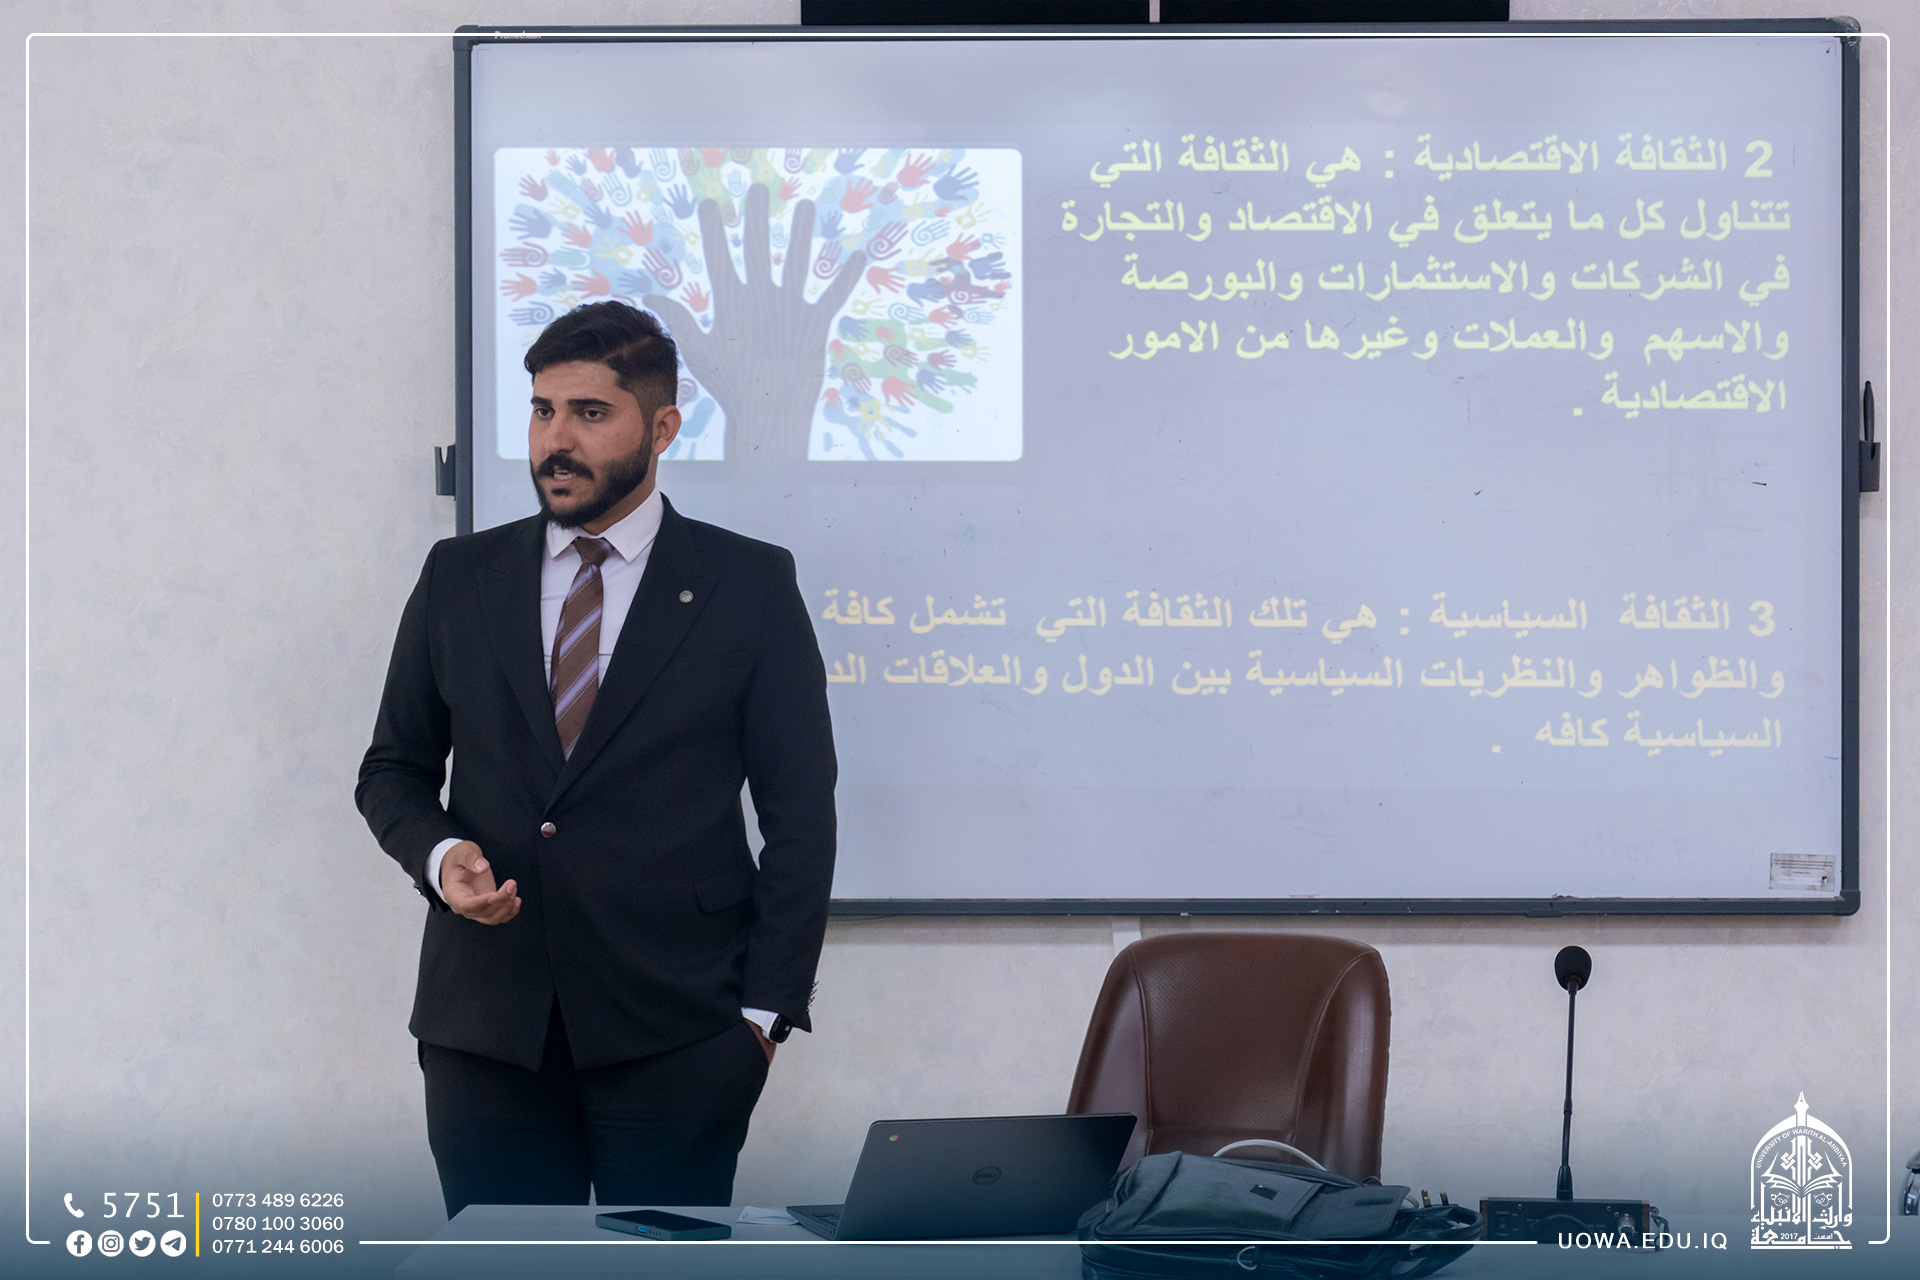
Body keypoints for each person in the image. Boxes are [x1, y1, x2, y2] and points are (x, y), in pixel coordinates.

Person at [356, 300, 837, 1215]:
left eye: (589, 413)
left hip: (680, 1034)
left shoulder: (748, 584)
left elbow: (802, 815)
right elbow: (393, 769)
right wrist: (442, 856)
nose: (556, 441)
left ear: (662, 428)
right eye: (543, 411)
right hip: (486, 1030)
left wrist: (763, 1017)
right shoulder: (459, 577)